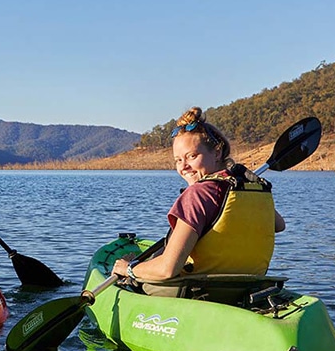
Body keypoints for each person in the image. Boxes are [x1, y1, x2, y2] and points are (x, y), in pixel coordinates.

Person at [111, 107, 286, 285]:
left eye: (192, 156)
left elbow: (167, 269)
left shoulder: (197, 195)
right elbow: (279, 225)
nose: (184, 166)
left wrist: (129, 269)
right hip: (248, 287)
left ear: (217, 153)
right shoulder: (250, 187)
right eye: (178, 160)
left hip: (200, 292)